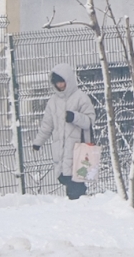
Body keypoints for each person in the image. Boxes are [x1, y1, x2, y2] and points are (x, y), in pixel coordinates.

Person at [31, 64, 95, 200]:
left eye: (62, 81)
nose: (60, 85)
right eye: (57, 82)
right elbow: (47, 125)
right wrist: (38, 142)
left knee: (77, 183)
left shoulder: (81, 98)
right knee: (67, 180)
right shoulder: (53, 102)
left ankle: (79, 210)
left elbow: (89, 121)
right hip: (61, 151)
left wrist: (75, 117)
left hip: (79, 149)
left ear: (69, 80)